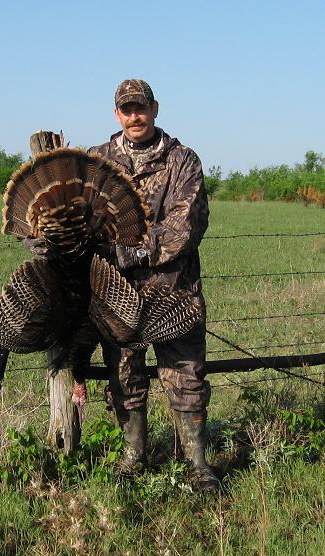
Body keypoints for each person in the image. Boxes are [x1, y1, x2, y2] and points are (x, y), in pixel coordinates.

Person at [89, 79, 218, 491]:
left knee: (186, 375)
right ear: (116, 114)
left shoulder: (182, 160)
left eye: (140, 107)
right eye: (126, 109)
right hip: (117, 294)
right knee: (124, 375)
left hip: (173, 291)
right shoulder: (96, 161)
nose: (134, 116)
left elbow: (186, 224)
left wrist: (134, 251)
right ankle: (133, 459)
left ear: (155, 108)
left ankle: (197, 465)